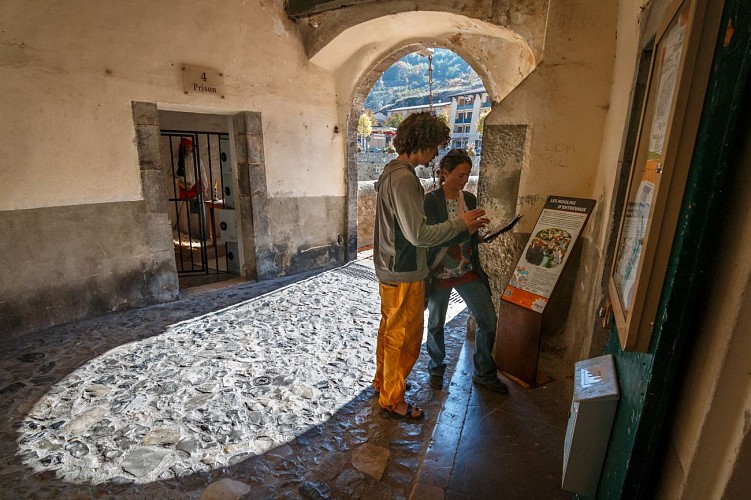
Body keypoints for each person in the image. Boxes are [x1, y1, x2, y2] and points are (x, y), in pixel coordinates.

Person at [372, 113, 490, 419]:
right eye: (435, 146)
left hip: (389, 265)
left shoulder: (390, 171)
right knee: (405, 337)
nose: (436, 153)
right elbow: (419, 235)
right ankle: (393, 399)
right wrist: (460, 223)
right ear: (422, 143)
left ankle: (383, 383)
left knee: (389, 329)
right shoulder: (405, 178)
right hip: (405, 268)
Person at [424, 149, 508, 393]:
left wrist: (481, 236)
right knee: (436, 323)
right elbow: (432, 239)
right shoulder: (431, 201)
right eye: (460, 175)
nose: (465, 180)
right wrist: (466, 232)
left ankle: (483, 372)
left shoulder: (469, 199)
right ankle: (436, 368)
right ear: (444, 174)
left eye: (468, 174)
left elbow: (468, 237)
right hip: (439, 272)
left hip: (467, 270)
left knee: (488, 320)